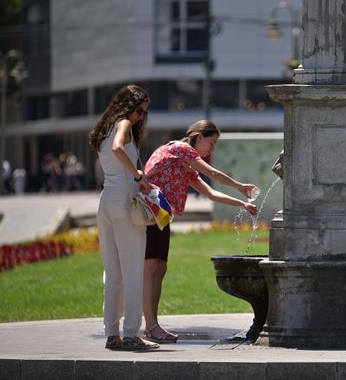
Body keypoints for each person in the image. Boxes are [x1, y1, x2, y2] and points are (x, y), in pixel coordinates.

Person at [141, 119, 259, 343]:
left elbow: (211, 194)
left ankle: (152, 325)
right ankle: (151, 327)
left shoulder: (184, 163)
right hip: (151, 212)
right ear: (198, 136)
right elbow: (213, 174)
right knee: (152, 268)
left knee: (159, 268)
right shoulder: (181, 149)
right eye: (211, 143)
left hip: (159, 215)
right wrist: (241, 187)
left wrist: (242, 204)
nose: (212, 148)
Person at [88, 85, 159, 351]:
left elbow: (113, 154)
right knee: (132, 270)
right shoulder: (123, 125)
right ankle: (130, 333)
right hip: (124, 201)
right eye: (139, 110)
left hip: (106, 200)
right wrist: (139, 176)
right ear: (127, 105)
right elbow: (119, 149)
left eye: (144, 113)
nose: (141, 116)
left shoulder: (104, 127)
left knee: (113, 272)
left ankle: (112, 334)